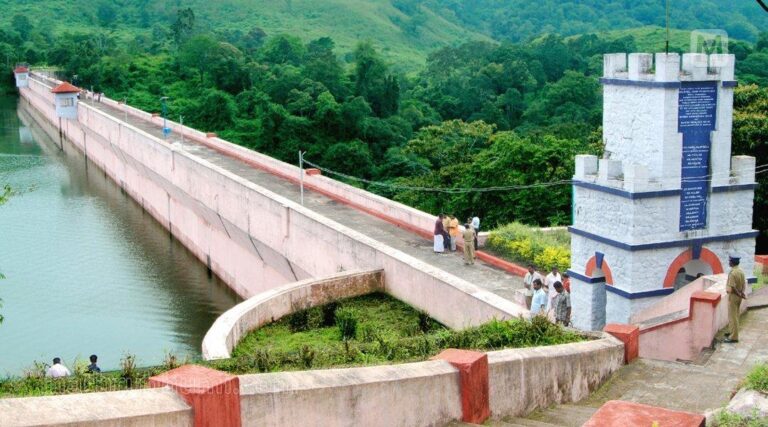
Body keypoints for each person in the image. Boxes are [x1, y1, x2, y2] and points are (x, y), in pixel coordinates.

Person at [724, 255, 747, 343]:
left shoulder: (733, 273)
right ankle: (731, 331)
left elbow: (733, 287)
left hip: (733, 296)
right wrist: (742, 293)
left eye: (730, 261)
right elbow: (744, 284)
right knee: (735, 315)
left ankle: (734, 337)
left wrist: (738, 294)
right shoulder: (741, 271)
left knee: (733, 317)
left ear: (732, 262)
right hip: (738, 296)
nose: (729, 262)